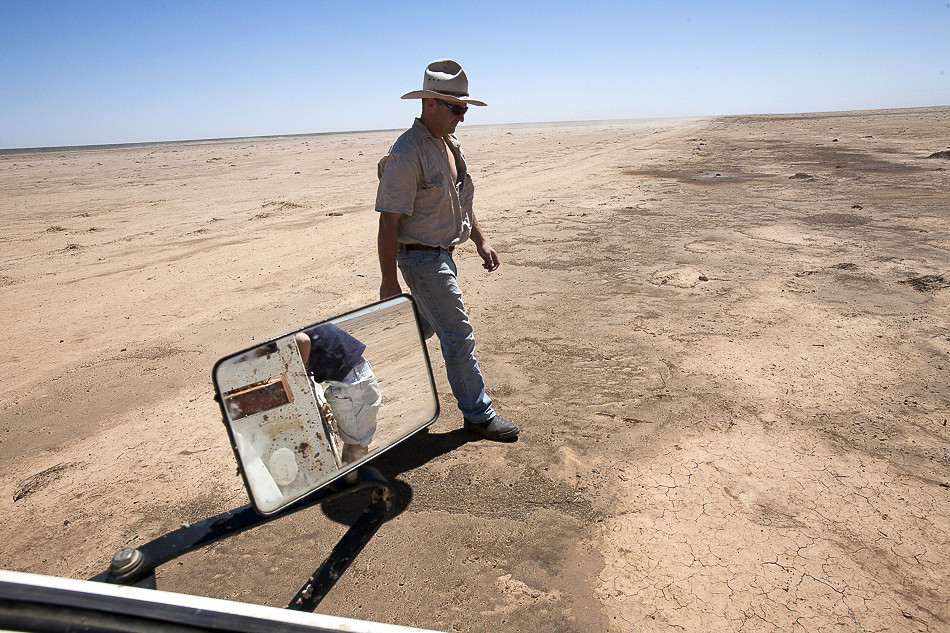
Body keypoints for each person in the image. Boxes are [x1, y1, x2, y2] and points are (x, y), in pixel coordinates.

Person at [375, 58, 518, 442]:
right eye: (457, 108)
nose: (463, 117)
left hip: (442, 255)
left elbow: (460, 203)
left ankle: (351, 369)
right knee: (457, 335)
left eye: (465, 109)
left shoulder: (448, 146)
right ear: (430, 104)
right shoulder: (407, 153)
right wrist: (389, 281)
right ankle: (478, 415)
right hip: (421, 260)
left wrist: (480, 239)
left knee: (416, 329)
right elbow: (388, 223)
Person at [294, 324, 381, 464]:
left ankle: (351, 480)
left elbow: (301, 341)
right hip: (354, 379)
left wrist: (299, 374)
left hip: (352, 381)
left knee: (356, 442)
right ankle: (351, 480)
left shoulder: (281, 333)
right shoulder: (303, 323)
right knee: (357, 442)